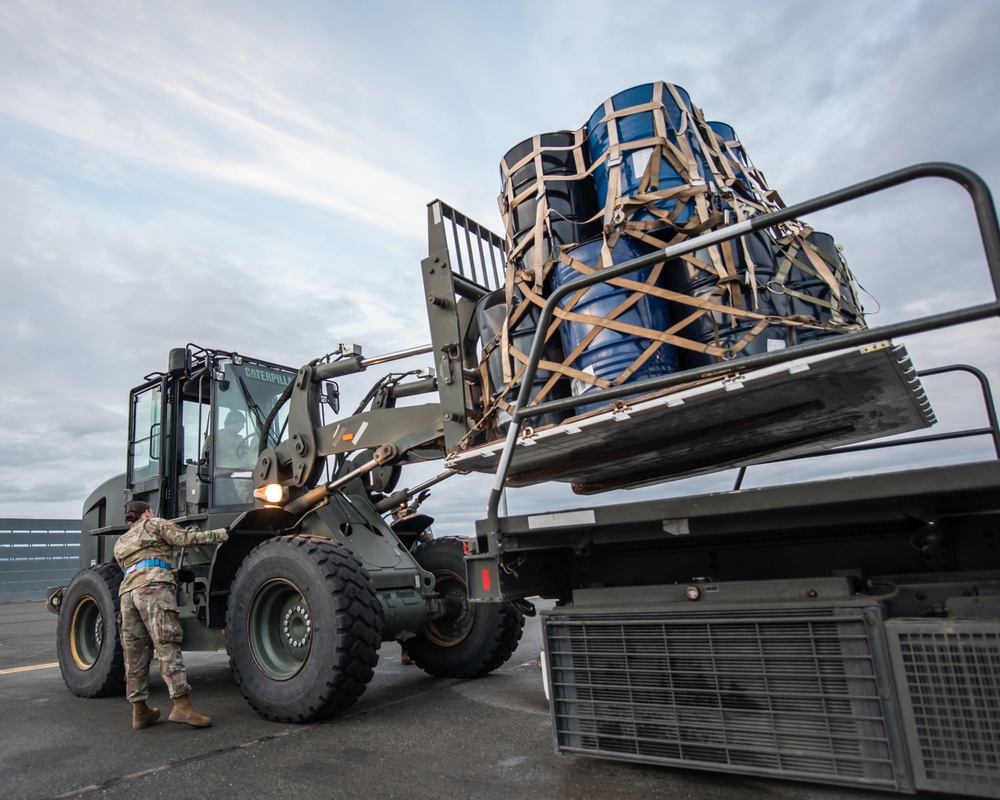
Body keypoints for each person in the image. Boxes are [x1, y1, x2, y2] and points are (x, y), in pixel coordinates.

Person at [114, 500, 230, 731]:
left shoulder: (120, 542)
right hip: (154, 590)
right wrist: (223, 534)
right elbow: (185, 540)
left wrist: (175, 574)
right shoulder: (154, 523)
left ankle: (139, 711)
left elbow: (139, 569)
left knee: (134, 653)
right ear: (146, 512)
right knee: (166, 643)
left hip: (127, 594)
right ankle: (182, 706)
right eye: (151, 511)